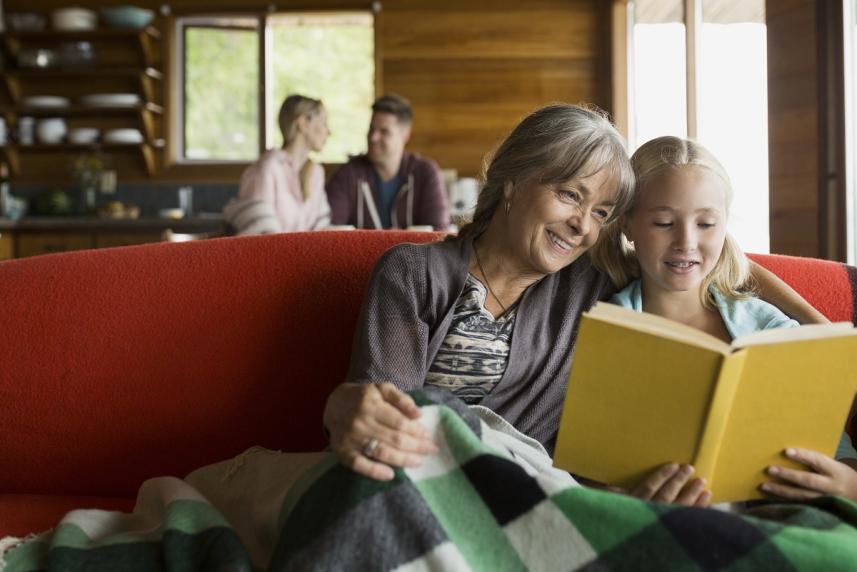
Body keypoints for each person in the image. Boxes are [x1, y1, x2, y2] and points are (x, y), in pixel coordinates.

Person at [321, 104, 828, 495]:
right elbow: (381, 413)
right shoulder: (413, 272)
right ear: (514, 182)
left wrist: (823, 328)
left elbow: (700, 257)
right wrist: (348, 409)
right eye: (570, 195)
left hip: (529, 491)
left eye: (602, 211)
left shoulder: (588, 280)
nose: (583, 225)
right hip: (420, 476)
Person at [590, 135, 857, 505]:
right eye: (664, 222)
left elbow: (833, 445)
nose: (686, 241)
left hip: (785, 509)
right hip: (659, 515)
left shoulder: (769, 327)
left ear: (725, 226)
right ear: (627, 225)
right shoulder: (607, 329)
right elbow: (590, 460)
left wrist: (847, 482)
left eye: (706, 224)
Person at [326, 94, 450, 231]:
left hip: (414, 254)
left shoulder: (426, 172)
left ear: (405, 136)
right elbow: (332, 229)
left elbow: (438, 232)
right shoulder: (347, 175)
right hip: (359, 254)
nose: (373, 138)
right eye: (371, 129)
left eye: (384, 132)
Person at [224, 94, 331, 234]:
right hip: (272, 255)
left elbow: (320, 231)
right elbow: (258, 234)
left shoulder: (316, 173)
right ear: (303, 123)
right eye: (323, 123)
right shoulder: (268, 168)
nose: (328, 131)